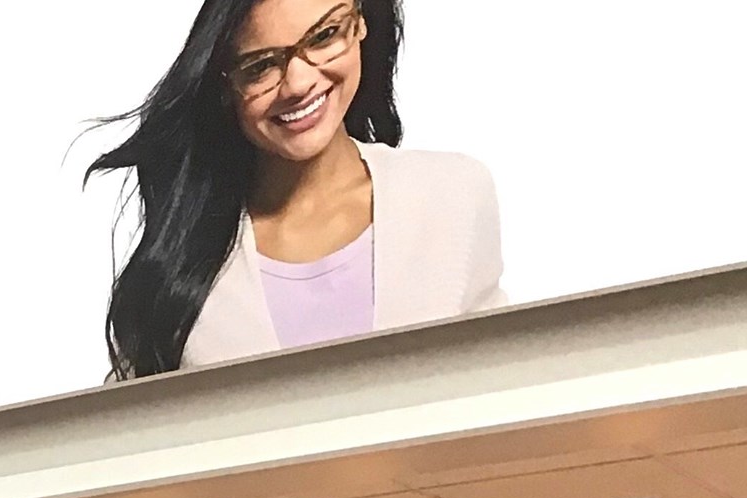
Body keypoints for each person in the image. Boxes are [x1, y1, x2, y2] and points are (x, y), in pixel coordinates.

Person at [88, 0, 503, 379]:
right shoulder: (176, 268)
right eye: (260, 66)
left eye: (324, 36)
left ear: (360, 22)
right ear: (225, 87)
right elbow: (128, 430)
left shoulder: (452, 195)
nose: (298, 83)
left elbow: (502, 396)